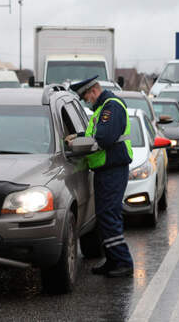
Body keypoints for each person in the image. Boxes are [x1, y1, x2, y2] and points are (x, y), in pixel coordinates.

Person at [67, 75, 134, 278]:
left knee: (109, 215)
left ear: (93, 91)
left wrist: (78, 144)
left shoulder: (110, 107)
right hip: (106, 169)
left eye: (86, 97)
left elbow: (103, 137)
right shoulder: (102, 109)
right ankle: (112, 260)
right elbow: (94, 134)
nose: (87, 102)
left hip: (112, 169)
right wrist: (78, 138)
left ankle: (123, 261)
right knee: (104, 216)